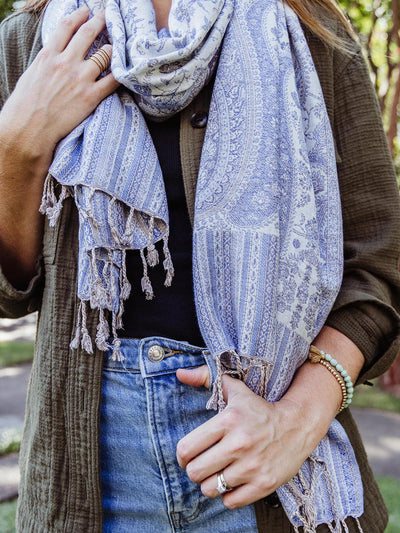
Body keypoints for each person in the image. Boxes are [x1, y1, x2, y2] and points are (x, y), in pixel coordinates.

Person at [0, 0, 399, 531]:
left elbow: (378, 269)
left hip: (271, 466)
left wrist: (296, 422)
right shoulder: (34, 39)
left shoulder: (311, 32)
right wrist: (15, 147)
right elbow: (12, 292)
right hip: (91, 472)